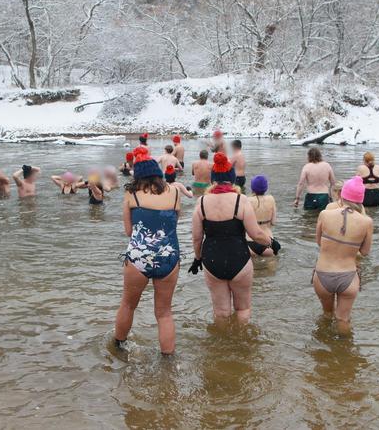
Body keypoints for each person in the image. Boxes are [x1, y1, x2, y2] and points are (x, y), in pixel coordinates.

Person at [189, 153, 272, 325]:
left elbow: (197, 238)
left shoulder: (201, 202)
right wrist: (271, 243)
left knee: (221, 313)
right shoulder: (241, 200)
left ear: (213, 179)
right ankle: (240, 346)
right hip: (239, 259)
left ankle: (221, 348)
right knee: (243, 309)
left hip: (212, 261)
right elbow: (256, 234)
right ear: (232, 178)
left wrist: (197, 259)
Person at [114, 151, 182, 355]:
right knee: (164, 313)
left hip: (139, 256)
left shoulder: (131, 194)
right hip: (169, 255)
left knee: (128, 305)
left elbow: (129, 231)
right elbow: (173, 223)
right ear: (158, 173)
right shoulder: (176, 192)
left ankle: (118, 347)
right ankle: (167, 360)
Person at [313, 176, 373, 334]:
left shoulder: (325, 214)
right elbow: (365, 252)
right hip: (348, 275)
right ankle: (346, 353)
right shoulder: (367, 222)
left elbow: (319, 242)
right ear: (360, 199)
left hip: (323, 274)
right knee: (343, 319)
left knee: (327, 315)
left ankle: (324, 348)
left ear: (342, 195)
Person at [247, 175, 280, 257]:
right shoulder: (271, 199)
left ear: (252, 187)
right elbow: (273, 222)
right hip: (268, 241)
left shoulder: (247, 200)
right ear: (266, 187)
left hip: (249, 241)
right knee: (270, 268)